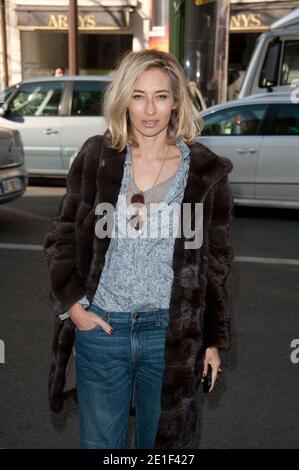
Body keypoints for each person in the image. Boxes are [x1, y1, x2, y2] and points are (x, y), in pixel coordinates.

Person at [44, 49, 234, 449]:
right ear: (123, 99)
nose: (150, 109)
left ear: (177, 100)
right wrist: (76, 309)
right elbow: (62, 237)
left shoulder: (203, 173)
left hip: (169, 335)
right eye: (138, 95)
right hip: (102, 329)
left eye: (161, 96)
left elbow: (213, 264)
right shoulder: (97, 158)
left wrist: (212, 341)